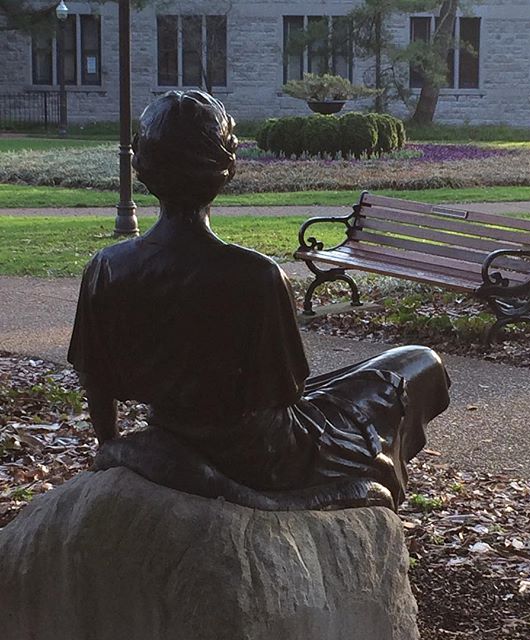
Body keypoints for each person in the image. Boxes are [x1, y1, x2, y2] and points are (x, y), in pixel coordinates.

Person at [68, 90, 450, 511]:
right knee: (419, 363)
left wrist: (112, 448)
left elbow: (96, 379)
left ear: (141, 166)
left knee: (357, 380)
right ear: (227, 168)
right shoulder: (256, 275)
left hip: (177, 433)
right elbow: (286, 395)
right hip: (265, 458)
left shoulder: (106, 267)